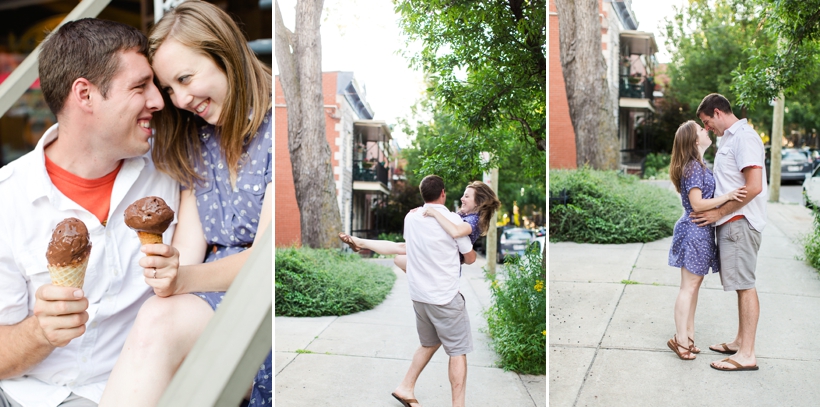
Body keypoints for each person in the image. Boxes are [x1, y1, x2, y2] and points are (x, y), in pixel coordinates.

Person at [99, 2, 272, 406]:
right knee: (157, 319)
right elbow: (190, 250)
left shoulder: (277, 127)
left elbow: (263, 266)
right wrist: (167, 272)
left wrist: (183, 280)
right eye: (170, 88)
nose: (180, 99)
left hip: (260, 301)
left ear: (225, 54)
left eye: (186, 78)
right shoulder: (199, 140)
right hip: (209, 294)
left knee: (161, 328)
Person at [0, 19, 178, 407]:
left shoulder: (173, 174)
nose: (159, 101)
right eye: (139, 87)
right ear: (85, 95)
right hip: (29, 396)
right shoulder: (6, 200)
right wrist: (40, 332)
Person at [691, 93, 767, 371]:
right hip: (733, 223)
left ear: (717, 112)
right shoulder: (729, 140)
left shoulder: (744, 138)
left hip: (740, 222)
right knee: (740, 285)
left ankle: (747, 355)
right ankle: (740, 342)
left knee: (745, 285)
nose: (707, 127)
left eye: (706, 121)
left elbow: (754, 185)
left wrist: (719, 213)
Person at [390, 175, 476, 407]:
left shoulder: (411, 216)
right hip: (444, 297)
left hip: (419, 296)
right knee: (458, 351)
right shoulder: (451, 219)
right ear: (443, 193)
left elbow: (410, 248)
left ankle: (405, 387)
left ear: (423, 194)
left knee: (430, 343)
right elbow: (469, 257)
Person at [666, 120, 746, 360]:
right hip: (693, 231)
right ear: (693, 140)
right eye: (701, 129)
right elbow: (698, 204)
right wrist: (728, 196)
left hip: (699, 231)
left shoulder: (697, 165)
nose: (706, 130)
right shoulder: (693, 168)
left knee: (694, 286)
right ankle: (680, 340)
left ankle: (688, 336)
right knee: (688, 287)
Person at [338, 180, 500, 270]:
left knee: (402, 251)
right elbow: (447, 218)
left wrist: (433, 212)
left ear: (479, 202)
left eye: (466, 196)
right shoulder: (465, 215)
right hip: (441, 257)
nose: (462, 199)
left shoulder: (473, 220)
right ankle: (360, 242)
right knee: (400, 255)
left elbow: (457, 231)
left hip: (445, 261)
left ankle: (360, 243)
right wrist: (424, 209)